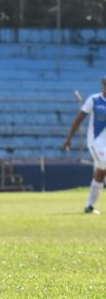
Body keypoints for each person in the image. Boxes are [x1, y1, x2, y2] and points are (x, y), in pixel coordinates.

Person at [62, 75, 106, 215]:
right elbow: (79, 119)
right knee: (105, 164)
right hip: (95, 142)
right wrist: (69, 138)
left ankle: (89, 206)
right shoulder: (94, 100)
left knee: (100, 173)